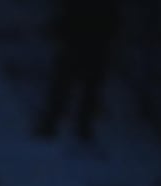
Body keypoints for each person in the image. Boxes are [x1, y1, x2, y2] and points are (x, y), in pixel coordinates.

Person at [33, 0, 121, 142]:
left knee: (71, 89)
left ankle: (61, 125)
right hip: (88, 47)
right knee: (76, 89)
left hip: (85, 46)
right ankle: (72, 126)